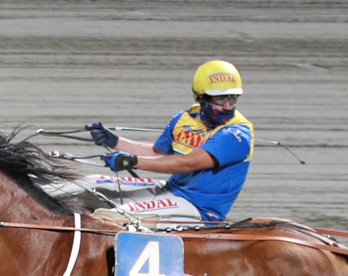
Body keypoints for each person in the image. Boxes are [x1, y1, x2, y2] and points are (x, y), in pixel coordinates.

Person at [81, 60, 254, 224]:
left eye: (232, 98)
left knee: (114, 218)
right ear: (201, 98)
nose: (228, 106)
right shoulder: (184, 119)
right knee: (85, 186)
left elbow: (185, 164)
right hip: (170, 190)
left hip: (199, 210)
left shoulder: (237, 134)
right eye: (220, 99)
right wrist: (115, 141)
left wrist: (131, 161)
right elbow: (157, 154)